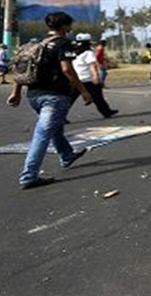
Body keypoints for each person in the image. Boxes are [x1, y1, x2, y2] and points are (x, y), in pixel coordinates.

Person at [6, 12, 92, 189]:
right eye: (70, 25)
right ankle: (29, 176)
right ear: (64, 27)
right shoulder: (63, 43)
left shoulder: (35, 44)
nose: (71, 28)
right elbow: (67, 69)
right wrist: (83, 91)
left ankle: (67, 155)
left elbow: (21, 69)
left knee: (55, 129)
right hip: (54, 97)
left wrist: (16, 92)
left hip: (34, 95)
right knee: (42, 134)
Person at [71, 33, 118, 118]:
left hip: (77, 79)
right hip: (87, 78)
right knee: (98, 96)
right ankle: (106, 111)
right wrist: (95, 76)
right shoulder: (88, 52)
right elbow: (92, 65)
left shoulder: (74, 52)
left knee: (70, 98)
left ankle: (60, 115)